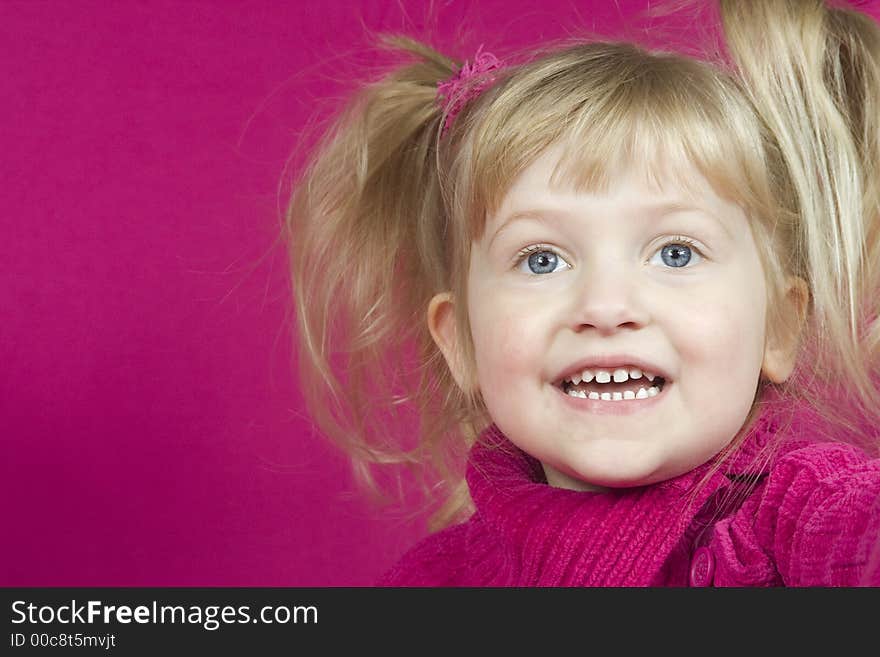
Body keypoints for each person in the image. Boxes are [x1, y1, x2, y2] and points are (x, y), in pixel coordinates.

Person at [286, 0, 880, 585]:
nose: (605, 307)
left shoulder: (814, 518)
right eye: (541, 260)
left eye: (676, 253)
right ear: (459, 341)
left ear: (780, 325)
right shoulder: (433, 582)